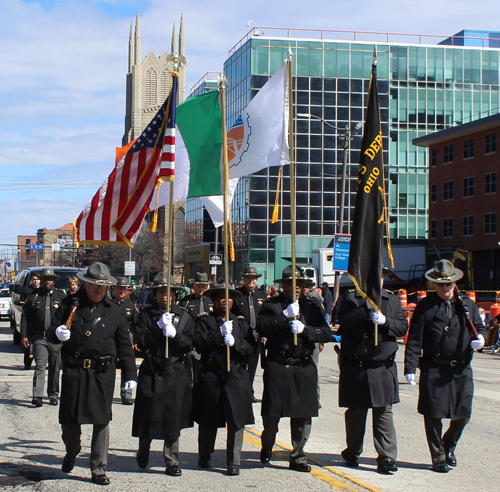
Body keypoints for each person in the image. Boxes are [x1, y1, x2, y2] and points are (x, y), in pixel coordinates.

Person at [49, 262, 137, 486]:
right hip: (75, 370)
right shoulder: (71, 304)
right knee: (69, 421)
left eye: (103, 286)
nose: (99, 290)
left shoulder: (114, 310)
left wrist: (130, 375)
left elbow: (124, 346)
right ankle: (72, 450)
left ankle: (98, 467)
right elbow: (52, 332)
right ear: (85, 284)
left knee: (101, 420)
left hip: (101, 373)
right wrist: (57, 333)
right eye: (95, 285)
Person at [404, 260, 486, 473]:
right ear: (434, 285)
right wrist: (410, 367)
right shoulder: (425, 306)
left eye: (448, 284)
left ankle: (448, 445)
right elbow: (414, 339)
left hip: (460, 368)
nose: (445, 288)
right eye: (440, 284)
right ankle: (438, 457)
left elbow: (480, 328)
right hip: (434, 367)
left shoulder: (468, 305)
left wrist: (482, 340)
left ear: (454, 283)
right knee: (433, 414)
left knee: (463, 413)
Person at [256, 266, 331, 472]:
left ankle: (298, 455)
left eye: (300, 284)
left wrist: (306, 330)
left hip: (303, 365)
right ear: (283, 285)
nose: (296, 288)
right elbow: (262, 327)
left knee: (302, 414)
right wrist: (284, 317)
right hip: (278, 364)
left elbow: (326, 333)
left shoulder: (312, 307)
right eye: (291, 284)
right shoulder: (271, 305)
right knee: (272, 415)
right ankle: (267, 443)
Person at [336, 267, 408, 473]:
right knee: (356, 414)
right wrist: (364, 310)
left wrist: (386, 322)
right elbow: (341, 323)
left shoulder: (391, 300)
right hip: (357, 366)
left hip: (382, 366)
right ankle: (352, 451)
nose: (377, 282)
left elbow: (402, 327)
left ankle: (387, 457)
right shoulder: (350, 299)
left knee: (384, 411)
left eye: (380, 278)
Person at [132, 273, 194, 477]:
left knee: (173, 417)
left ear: (175, 294)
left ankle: (172, 460)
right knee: (147, 414)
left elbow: (190, 343)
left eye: (169, 291)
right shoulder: (145, 315)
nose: (165, 295)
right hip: (152, 369)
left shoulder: (184, 316)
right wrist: (158, 329)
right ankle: (144, 448)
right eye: (161, 291)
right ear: (155, 294)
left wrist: (175, 335)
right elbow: (141, 341)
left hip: (175, 370)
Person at [193, 281, 256, 476]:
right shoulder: (205, 321)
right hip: (212, 375)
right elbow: (198, 342)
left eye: (228, 298)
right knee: (208, 419)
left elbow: (251, 347)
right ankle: (205, 454)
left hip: (236, 375)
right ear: (213, 300)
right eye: (220, 298)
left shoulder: (240, 322)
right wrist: (218, 336)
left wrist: (236, 343)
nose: (224, 301)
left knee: (236, 421)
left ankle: (233, 461)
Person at [20, 268, 66, 406]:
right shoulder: (33, 297)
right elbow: (25, 317)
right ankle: (37, 395)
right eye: (45, 279)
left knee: (54, 367)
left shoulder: (61, 297)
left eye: (50, 279)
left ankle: (53, 394)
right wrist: (24, 335)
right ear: (41, 281)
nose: (47, 282)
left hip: (55, 339)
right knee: (40, 365)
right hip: (39, 337)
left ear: (54, 281)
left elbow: (68, 317)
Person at [231, 266, 267, 402]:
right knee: (240, 365)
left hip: (257, 336)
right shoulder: (237, 294)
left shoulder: (262, 295)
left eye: (253, 278)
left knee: (252, 366)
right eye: (248, 278)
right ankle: (240, 390)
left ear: (257, 280)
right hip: (242, 336)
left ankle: (249, 391)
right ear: (243, 279)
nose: (250, 280)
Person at [109, 276, 139, 405]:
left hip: (126, 338)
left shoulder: (130, 305)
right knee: (110, 364)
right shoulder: (109, 304)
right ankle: (107, 392)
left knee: (127, 364)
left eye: (124, 288)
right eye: (119, 288)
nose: (122, 291)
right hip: (111, 337)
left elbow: (137, 324)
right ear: (114, 288)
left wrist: (137, 341)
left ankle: (126, 394)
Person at [19, 273, 40, 369]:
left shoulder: (42, 291)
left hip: (39, 322)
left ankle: (40, 363)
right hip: (30, 322)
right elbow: (22, 304)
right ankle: (27, 364)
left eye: (38, 279)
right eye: (34, 279)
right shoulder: (26, 290)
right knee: (28, 346)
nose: (36, 281)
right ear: (31, 280)